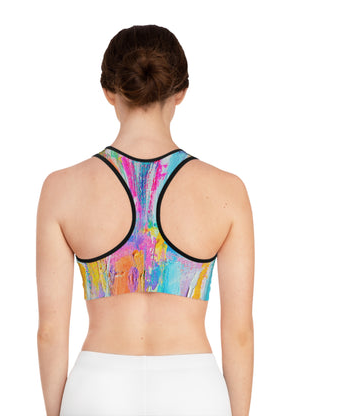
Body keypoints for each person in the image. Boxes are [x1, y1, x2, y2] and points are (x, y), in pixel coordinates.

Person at [36, 24, 254, 416]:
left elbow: (50, 331)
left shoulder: (62, 188)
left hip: (98, 387)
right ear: (180, 92)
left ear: (109, 91)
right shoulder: (227, 191)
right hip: (193, 389)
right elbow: (239, 333)